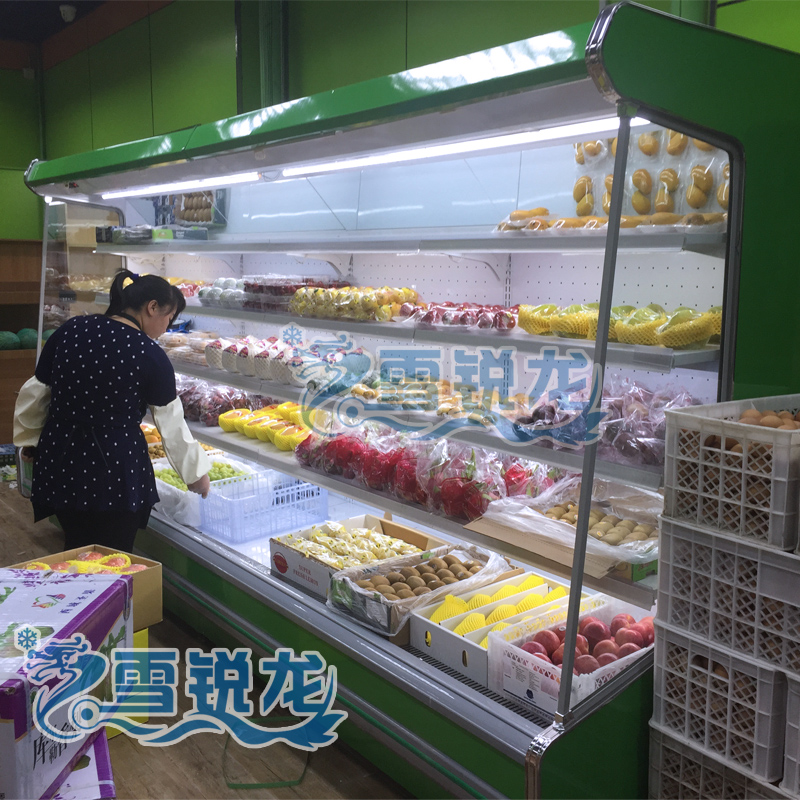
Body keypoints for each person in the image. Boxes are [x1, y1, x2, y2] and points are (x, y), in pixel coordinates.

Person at [13, 269, 211, 552]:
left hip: (61, 457)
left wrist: (30, 440)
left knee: (76, 544)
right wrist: (196, 475)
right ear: (152, 307)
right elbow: (172, 424)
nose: (167, 328)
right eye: (169, 319)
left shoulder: (71, 329)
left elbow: (37, 390)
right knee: (113, 553)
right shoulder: (150, 354)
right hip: (113, 467)